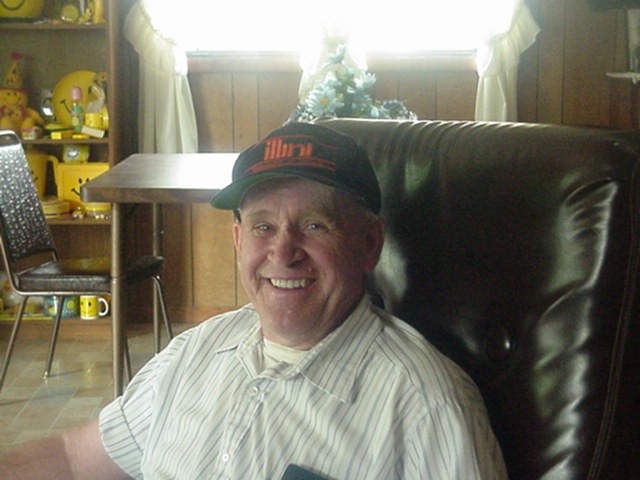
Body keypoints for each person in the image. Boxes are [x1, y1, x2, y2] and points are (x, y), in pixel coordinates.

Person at [0, 122, 507, 479]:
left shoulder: (427, 406)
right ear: (239, 240)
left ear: (370, 243)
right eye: (263, 226)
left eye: (314, 225)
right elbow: (72, 458)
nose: (282, 253)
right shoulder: (193, 353)